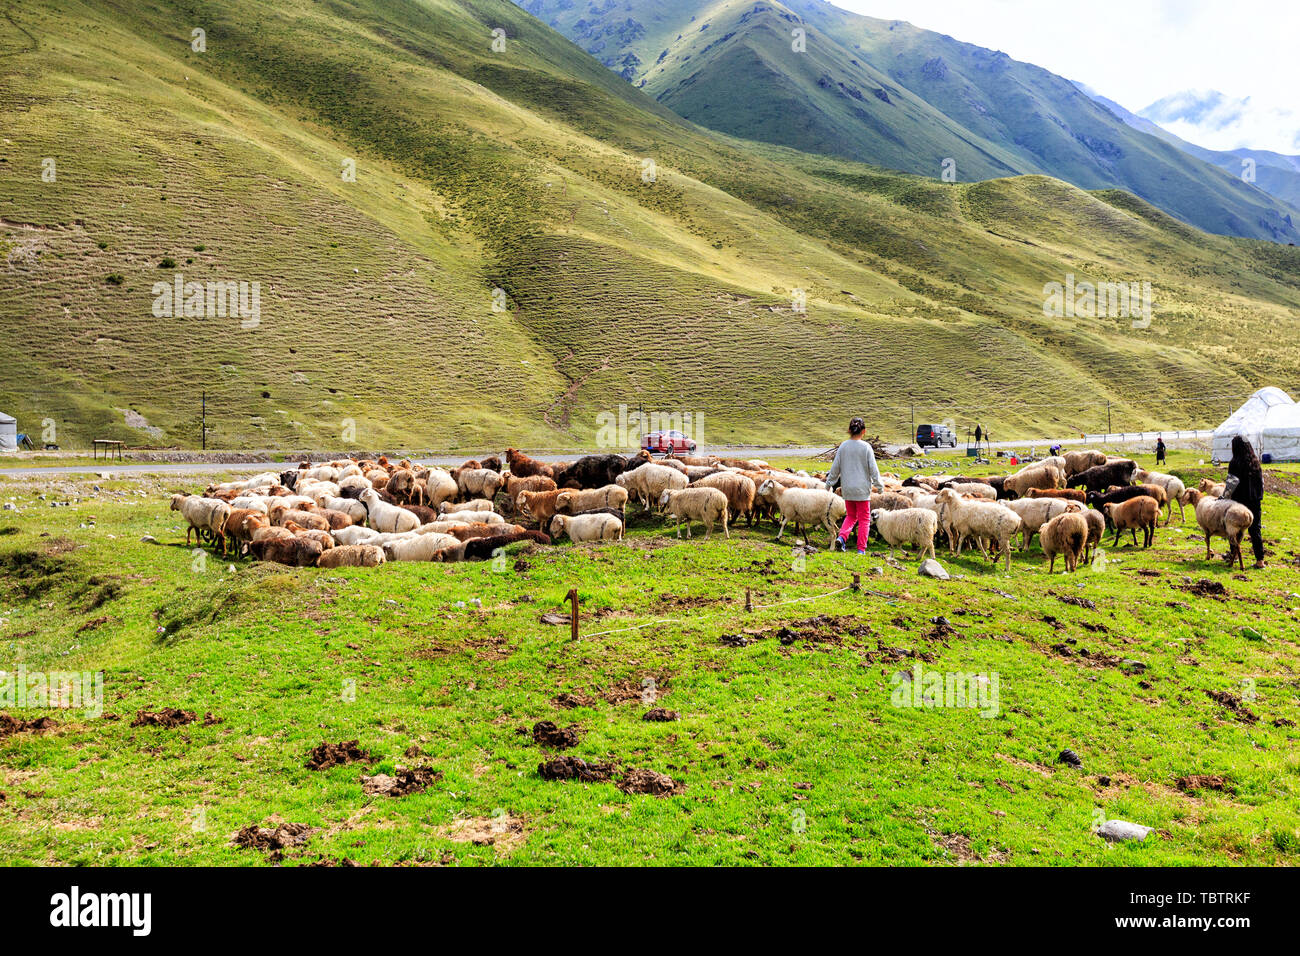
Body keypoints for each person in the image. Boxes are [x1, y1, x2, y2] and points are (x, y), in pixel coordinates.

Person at [825, 417, 884, 554]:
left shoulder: (843, 446)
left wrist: (829, 484)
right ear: (864, 431)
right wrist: (879, 486)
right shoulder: (866, 447)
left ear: (849, 430)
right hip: (862, 490)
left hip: (847, 489)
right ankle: (861, 549)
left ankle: (841, 537)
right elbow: (873, 469)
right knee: (864, 519)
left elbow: (835, 468)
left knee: (851, 515)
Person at [1227, 435, 1265, 569]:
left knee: (1234, 528)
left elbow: (1231, 483)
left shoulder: (1235, 462)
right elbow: (1261, 483)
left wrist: (1224, 497)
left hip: (1239, 501)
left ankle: (1234, 555)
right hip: (1255, 500)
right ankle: (1260, 560)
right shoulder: (1255, 462)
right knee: (1255, 530)